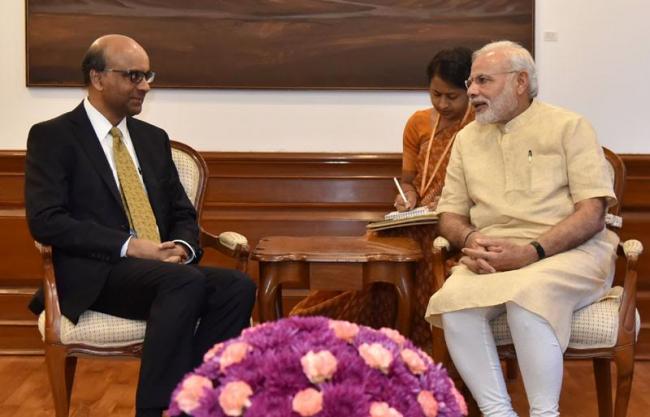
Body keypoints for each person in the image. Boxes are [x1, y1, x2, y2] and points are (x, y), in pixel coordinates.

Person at [25, 34, 256, 417]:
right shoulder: (54, 136)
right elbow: (46, 220)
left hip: (163, 272)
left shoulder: (152, 139)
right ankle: (156, 409)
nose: (145, 85)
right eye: (133, 76)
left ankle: (197, 400)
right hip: (97, 273)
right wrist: (131, 246)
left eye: (147, 75)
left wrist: (181, 247)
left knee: (237, 286)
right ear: (97, 78)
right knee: (184, 282)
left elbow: (183, 213)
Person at [425, 41, 618, 417]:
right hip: (494, 256)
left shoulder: (569, 127)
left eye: (483, 80)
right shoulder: (467, 139)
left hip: (568, 252)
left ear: (520, 82)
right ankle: (498, 412)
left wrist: (531, 252)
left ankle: (545, 413)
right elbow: (449, 214)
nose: (472, 91)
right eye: (470, 82)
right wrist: (471, 239)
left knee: (527, 297)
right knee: (453, 303)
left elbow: (592, 213)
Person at [290, 47, 474, 353]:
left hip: (455, 223)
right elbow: (409, 182)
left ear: (470, 90)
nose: (442, 104)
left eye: (452, 97)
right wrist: (408, 197)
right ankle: (356, 340)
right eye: (435, 94)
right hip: (416, 218)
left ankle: (422, 347)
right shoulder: (418, 123)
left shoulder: (480, 126)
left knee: (419, 251)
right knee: (377, 255)